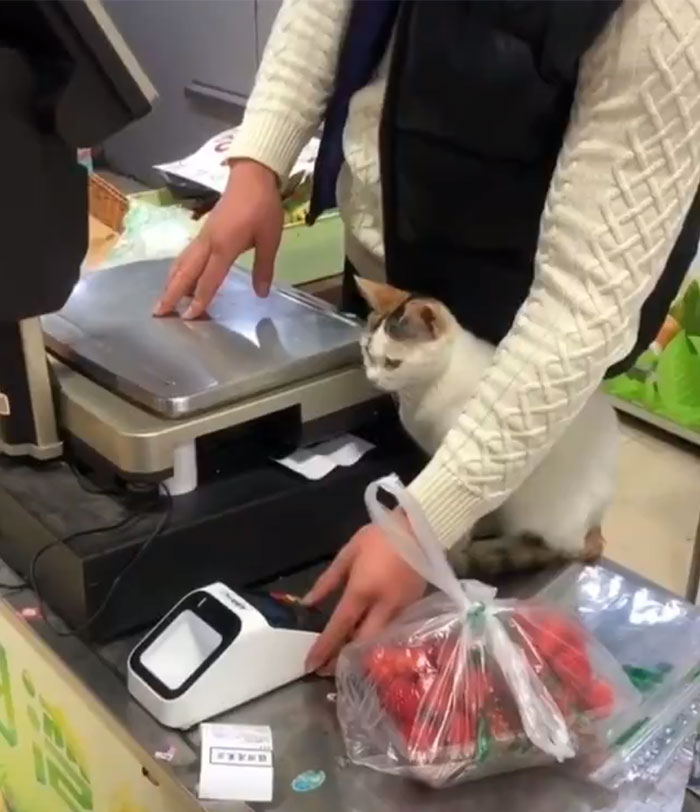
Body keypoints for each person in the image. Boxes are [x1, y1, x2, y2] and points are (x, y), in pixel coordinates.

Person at [156, 0, 700, 673]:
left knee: (502, 646)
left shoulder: (667, 17)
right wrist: (259, 161)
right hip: (407, 298)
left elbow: (581, 307)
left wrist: (424, 524)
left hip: (520, 360)